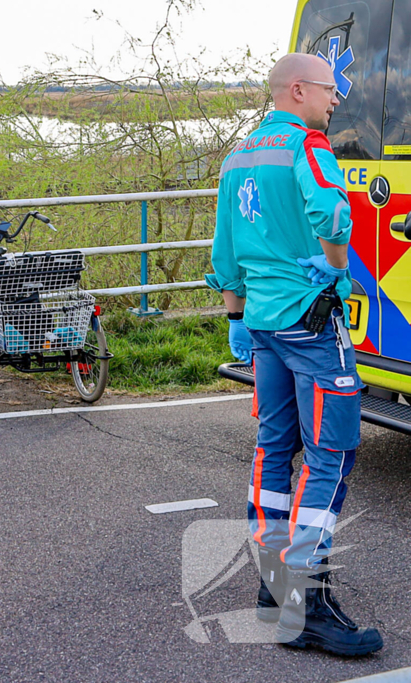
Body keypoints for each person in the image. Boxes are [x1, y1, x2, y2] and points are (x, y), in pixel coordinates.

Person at [206, 52, 382, 656]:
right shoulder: (307, 146)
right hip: (310, 322)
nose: (337, 100)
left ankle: (274, 585)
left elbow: (224, 253)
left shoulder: (238, 157)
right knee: (332, 454)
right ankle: (306, 607)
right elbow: (334, 212)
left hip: (262, 325)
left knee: (273, 450)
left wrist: (236, 317)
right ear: (299, 91)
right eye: (330, 90)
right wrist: (336, 266)